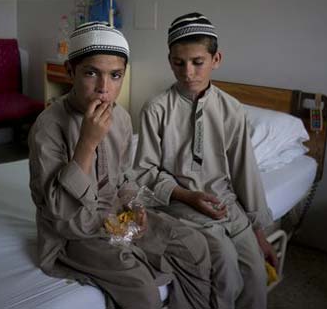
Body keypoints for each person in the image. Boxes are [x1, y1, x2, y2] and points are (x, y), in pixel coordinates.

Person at [28, 22, 212, 309]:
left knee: (194, 245)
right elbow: (60, 212)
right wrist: (87, 143)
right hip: (73, 232)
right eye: (91, 73)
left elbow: (123, 179)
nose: (104, 88)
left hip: (114, 218)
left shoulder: (122, 119)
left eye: (115, 76)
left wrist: (133, 206)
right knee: (141, 287)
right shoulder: (48, 126)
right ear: (69, 72)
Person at [134, 12, 278, 309]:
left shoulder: (232, 109)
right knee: (225, 265)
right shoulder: (156, 109)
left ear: (216, 59)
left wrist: (258, 232)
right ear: (169, 60)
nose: (188, 72)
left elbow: (244, 172)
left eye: (197, 62)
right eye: (178, 62)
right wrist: (187, 195)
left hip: (226, 203)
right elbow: (145, 171)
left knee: (254, 271)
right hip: (181, 203)